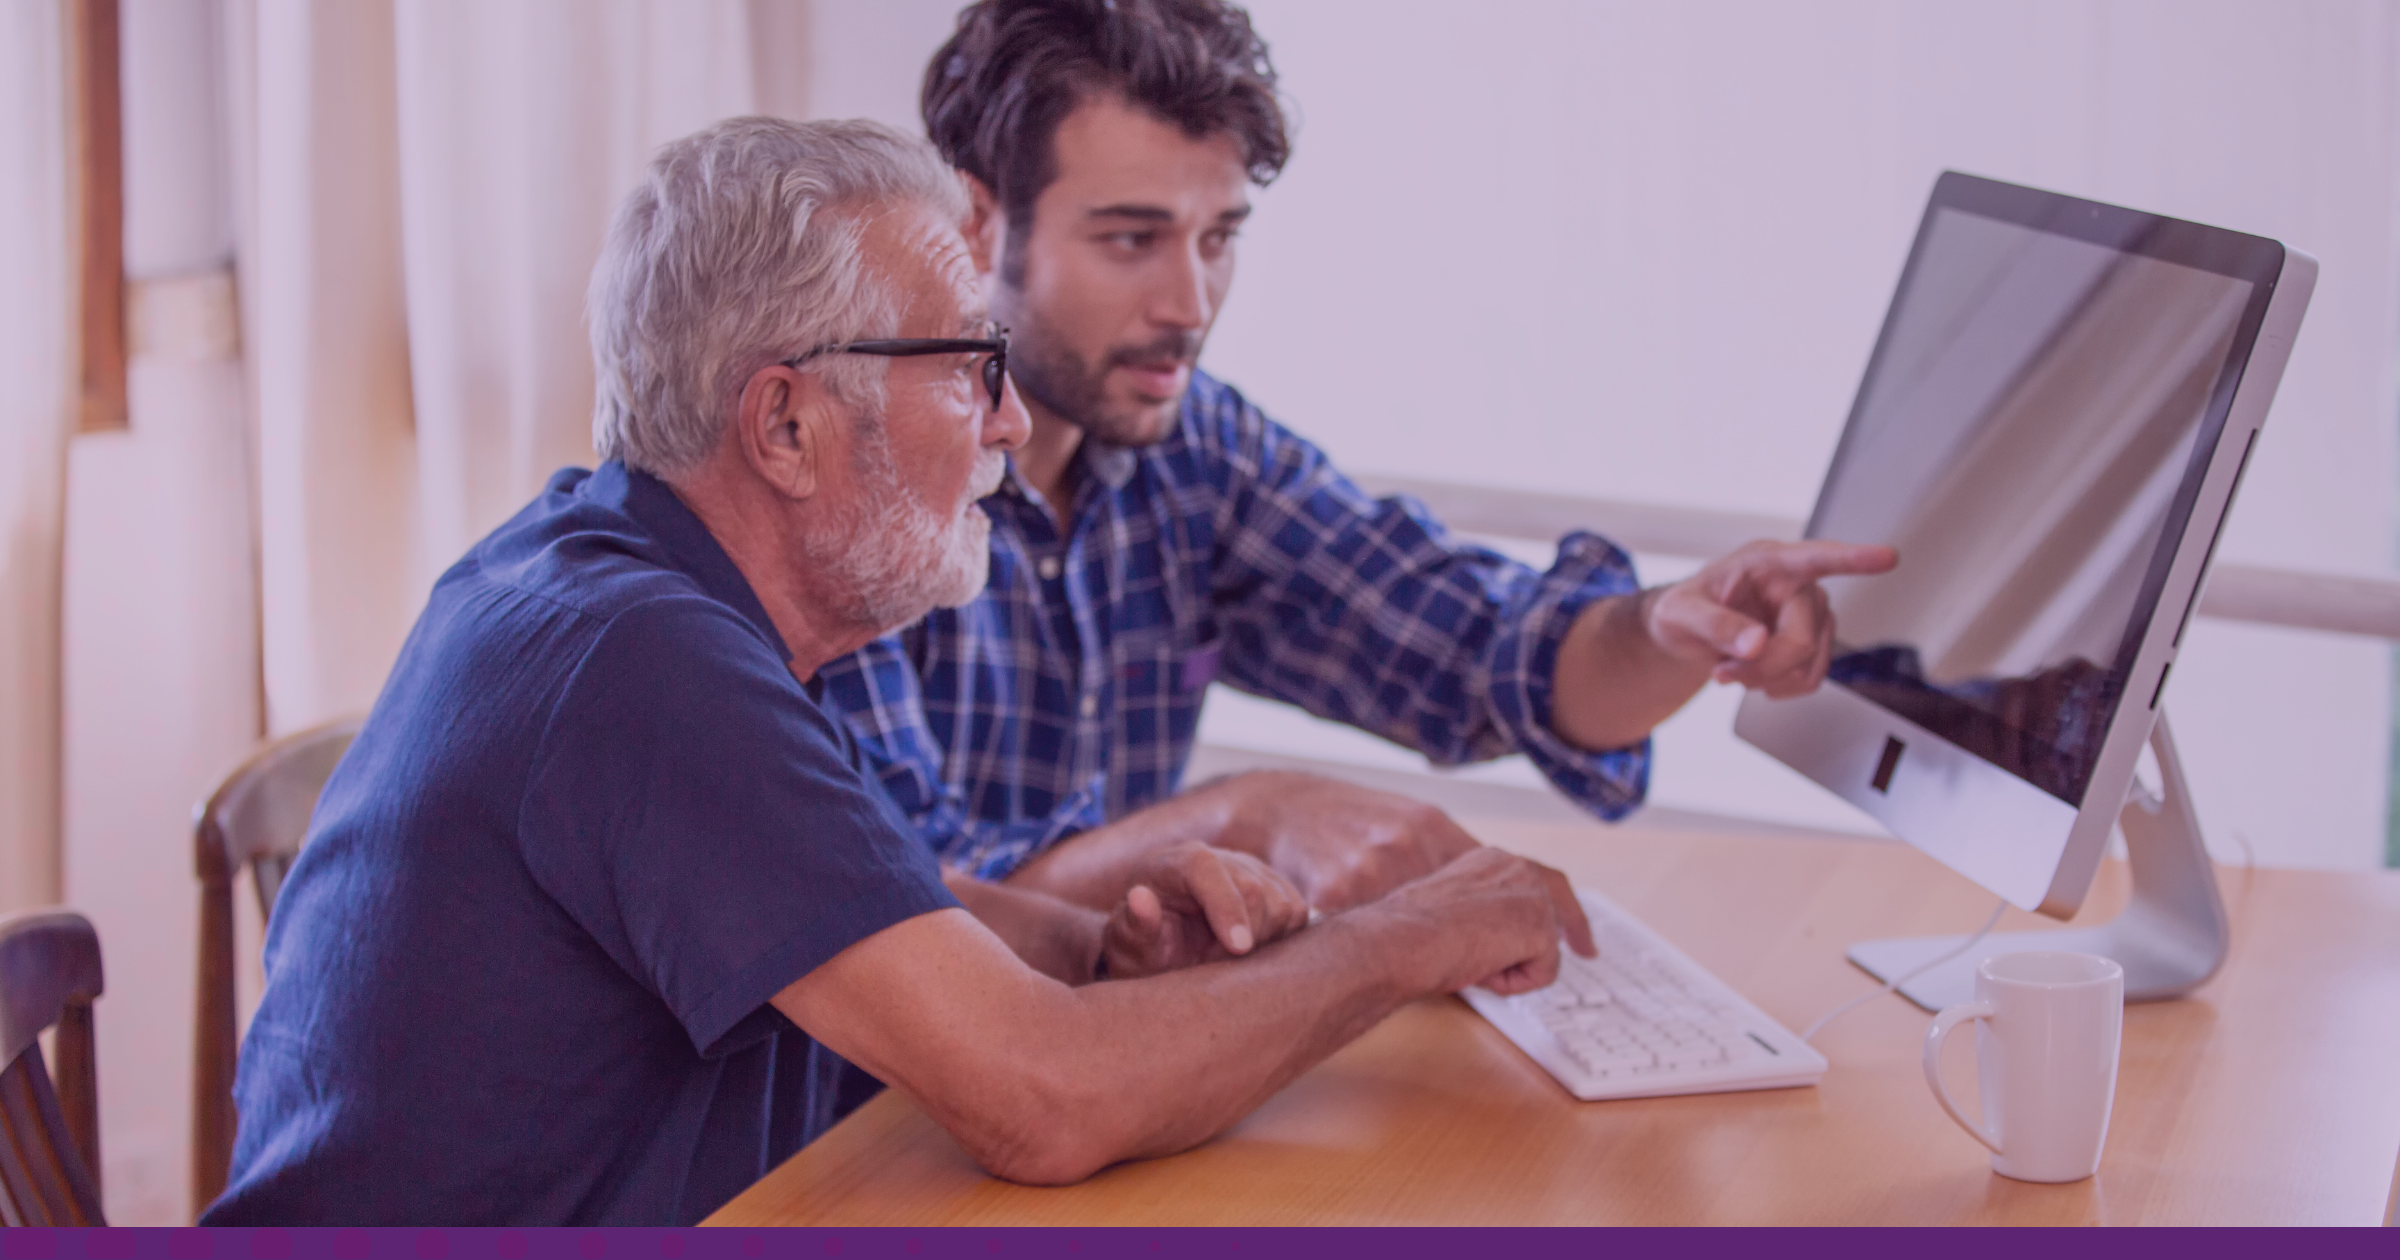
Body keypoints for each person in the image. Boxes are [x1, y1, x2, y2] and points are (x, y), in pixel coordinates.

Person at [202, 117, 1593, 1227]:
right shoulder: (644, 666)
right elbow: (1046, 1103)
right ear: (786, 426)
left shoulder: (618, 578)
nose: (1010, 418)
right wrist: (1410, 937)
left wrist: (1093, 946)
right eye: (969, 365)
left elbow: (843, 914)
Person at [817, 0, 1896, 914]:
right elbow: (908, 902)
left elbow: (1481, 655)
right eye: (1131, 239)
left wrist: (1668, 627)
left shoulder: (1193, 450)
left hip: (1102, 1052)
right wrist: (1247, 817)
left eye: (1219, 237)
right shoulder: (853, 483)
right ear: (975, 222)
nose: (1189, 304)